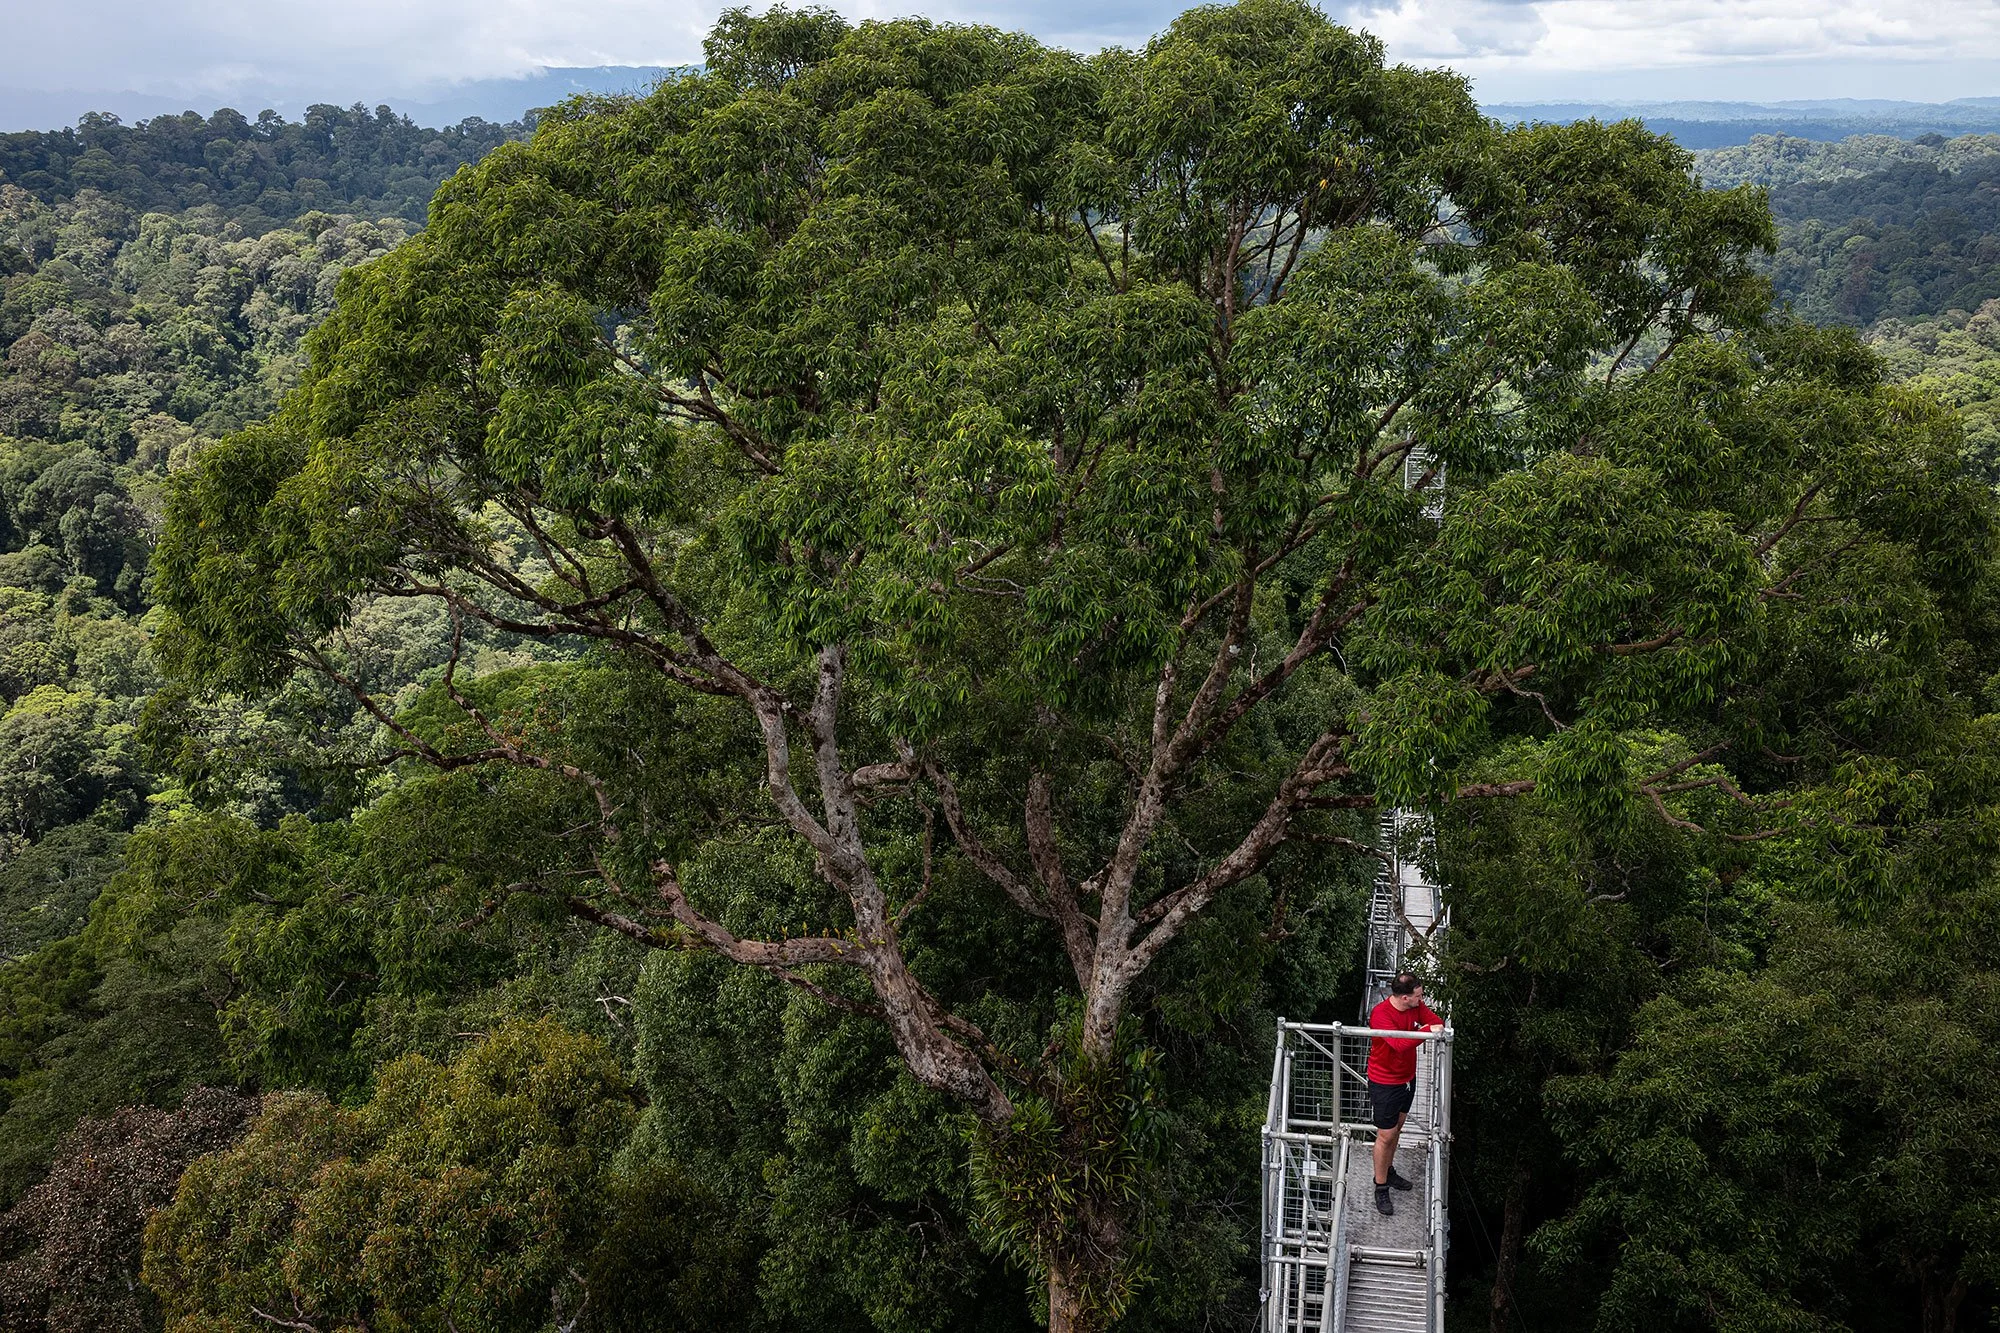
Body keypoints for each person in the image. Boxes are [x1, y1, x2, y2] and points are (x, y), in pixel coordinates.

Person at [1365, 971, 1442, 1216]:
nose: (1422, 999)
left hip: (1407, 1079)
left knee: (1397, 1129)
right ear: (1405, 997)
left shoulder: (1415, 1007)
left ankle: (1388, 1171)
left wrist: (1428, 1026)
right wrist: (1427, 1031)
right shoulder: (1381, 1014)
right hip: (1385, 1081)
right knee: (1385, 1135)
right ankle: (1380, 1186)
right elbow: (1399, 1044)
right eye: (1419, 996)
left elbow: (1435, 1020)